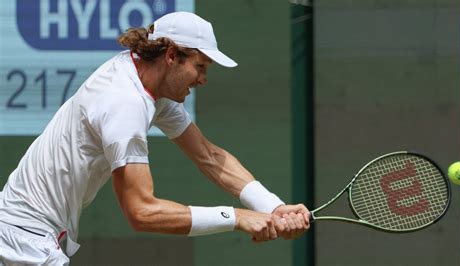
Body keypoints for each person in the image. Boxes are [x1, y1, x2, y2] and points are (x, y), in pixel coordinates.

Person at [0, 12, 310, 265]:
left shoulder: (144, 78)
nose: (203, 79)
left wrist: (272, 206)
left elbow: (209, 156)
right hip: (24, 242)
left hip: (31, 235)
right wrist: (237, 217)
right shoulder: (125, 103)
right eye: (199, 67)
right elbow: (142, 212)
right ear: (172, 55)